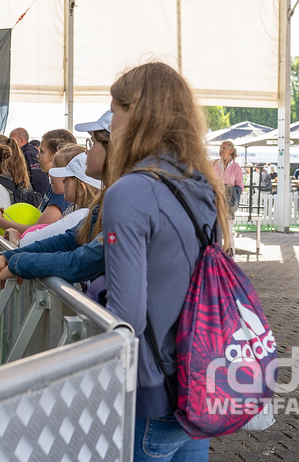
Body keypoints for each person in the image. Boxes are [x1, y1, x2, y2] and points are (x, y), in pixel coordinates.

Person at [100, 61, 230, 461]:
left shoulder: (130, 192)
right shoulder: (201, 185)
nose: (110, 125)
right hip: (198, 385)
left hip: (150, 391)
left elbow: (127, 318)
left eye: (114, 112)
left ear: (137, 114)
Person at [0, 111, 112, 296]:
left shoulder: (128, 199)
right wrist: (9, 257)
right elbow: (69, 239)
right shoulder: (109, 202)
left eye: (93, 142)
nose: (87, 151)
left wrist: (18, 262)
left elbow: (81, 261)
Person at [0, 128, 75, 234]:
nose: (37, 156)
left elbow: (38, 231)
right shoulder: (54, 187)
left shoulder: (60, 191)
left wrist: (0, 222)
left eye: (42, 152)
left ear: (56, 155)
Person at [12, 147, 101, 246]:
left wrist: (17, 240)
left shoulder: (81, 215)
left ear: (81, 188)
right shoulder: (81, 210)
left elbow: (29, 241)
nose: (64, 181)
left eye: (67, 178)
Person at [213, 140, 242, 255]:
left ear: (230, 151)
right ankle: (217, 258)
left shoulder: (236, 168)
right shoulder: (214, 164)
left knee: (229, 232)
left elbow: (239, 187)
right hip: (215, 202)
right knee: (216, 231)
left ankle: (230, 258)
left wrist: (227, 189)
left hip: (229, 204)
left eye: (224, 148)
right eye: (220, 147)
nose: (221, 150)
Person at [10, 127, 48, 194]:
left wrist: (36, 197)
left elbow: (38, 179)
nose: (10, 143)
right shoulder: (32, 150)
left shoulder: (28, 154)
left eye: (12, 140)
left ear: (21, 140)